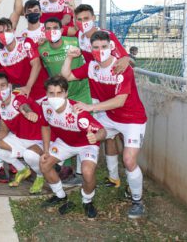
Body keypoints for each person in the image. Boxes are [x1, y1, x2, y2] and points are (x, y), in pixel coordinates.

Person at [62, 31, 148, 218]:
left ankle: (137, 200)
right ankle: (85, 178)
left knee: (129, 160)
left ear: (111, 47)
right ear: (90, 49)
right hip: (108, 117)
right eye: (95, 47)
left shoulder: (121, 67)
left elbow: (120, 101)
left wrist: (90, 106)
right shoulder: (91, 66)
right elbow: (65, 76)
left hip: (132, 118)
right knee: (86, 136)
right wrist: (69, 57)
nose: (100, 50)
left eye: (103, 47)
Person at [73, 4, 134, 188]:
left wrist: (128, 58)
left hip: (115, 92)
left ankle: (130, 172)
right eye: (80, 19)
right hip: (98, 92)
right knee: (108, 135)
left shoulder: (105, 35)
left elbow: (125, 59)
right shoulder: (79, 37)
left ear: (93, 18)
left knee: (124, 135)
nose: (83, 23)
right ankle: (113, 177)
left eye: (87, 18)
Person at [39, 76, 106, 218]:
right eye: (51, 93)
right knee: (44, 164)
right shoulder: (45, 106)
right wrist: (46, 150)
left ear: (66, 94)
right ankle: (60, 195)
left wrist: (96, 137)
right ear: (46, 94)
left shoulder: (77, 112)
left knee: (87, 173)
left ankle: (87, 201)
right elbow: (45, 127)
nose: (55, 97)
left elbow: (102, 131)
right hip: (64, 142)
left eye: (59, 93)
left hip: (86, 145)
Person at [38, 17, 92, 185]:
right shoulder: (42, 48)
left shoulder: (74, 42)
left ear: (62, 30)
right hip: (60, 94)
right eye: (48, 28)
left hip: (80, 91)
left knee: (83, 126)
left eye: (55, 27)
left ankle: (85, 165)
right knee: (63, 125)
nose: (52, 31)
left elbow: (92, 55)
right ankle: (67, 168)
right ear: (44, 31)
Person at [0, 73, 44, 192]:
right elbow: (4, 130)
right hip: (21, 138)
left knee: (30, 155)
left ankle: (40, 176)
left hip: (39, 139)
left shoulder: (17, 98)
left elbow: (23, 105)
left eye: (3, 86)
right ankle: (23, 169)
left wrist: (28, 112)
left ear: (10, 86)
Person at [0, 18, 48, 102]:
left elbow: (36, 65)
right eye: (1, 32)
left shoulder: (25, 42)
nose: (4, 34)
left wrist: (28, 87)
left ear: (13, 30)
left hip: (43, 93)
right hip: (23, 98)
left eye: (7, 30)